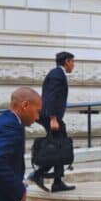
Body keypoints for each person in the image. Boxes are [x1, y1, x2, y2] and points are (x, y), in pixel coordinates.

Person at [28, 51, 76, 193]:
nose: (73, 65)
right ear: (67, 61)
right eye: (72, 62)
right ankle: (39, 175)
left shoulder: (57, 73)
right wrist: (53, 118)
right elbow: (51, 96)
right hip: (50, 117)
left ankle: (56, 181)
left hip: (50, 116)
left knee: (58, 145)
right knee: (58, 145)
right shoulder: (57, 74)